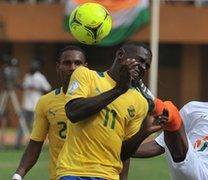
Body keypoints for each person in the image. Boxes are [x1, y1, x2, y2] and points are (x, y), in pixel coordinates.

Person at [56, 42, 165, 180]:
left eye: (146, 65)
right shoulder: (86, 75)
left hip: (109, 175)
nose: (143, 67)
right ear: (120, 55)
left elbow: (123, 154)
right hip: (74, 171)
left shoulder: (140, 102)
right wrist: (118, 90)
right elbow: (73, 112)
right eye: (140, 60)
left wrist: (145, 131)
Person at [12, 46, 87, 180]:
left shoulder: (98, 99)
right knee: (23, 129)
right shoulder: (46, 102)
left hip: (93, 175)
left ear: (86, 67)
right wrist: (18, 175)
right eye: (67, 63)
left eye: (78, 63)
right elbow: (35, 143)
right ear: (58, 67)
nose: (73, 67)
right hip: (61, 175)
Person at [15, 60, 51, 149]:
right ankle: (17, 144)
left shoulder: (40, 77)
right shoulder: (27, 76)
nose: (31, 68)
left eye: (33, 67)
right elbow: (24, 86)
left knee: (34, 126)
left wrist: (37, 88)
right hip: (26, 104)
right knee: (22, 125)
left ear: (37, 68)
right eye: (31, 66)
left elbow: (47, 88)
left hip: (35, 105)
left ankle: (34, 145)